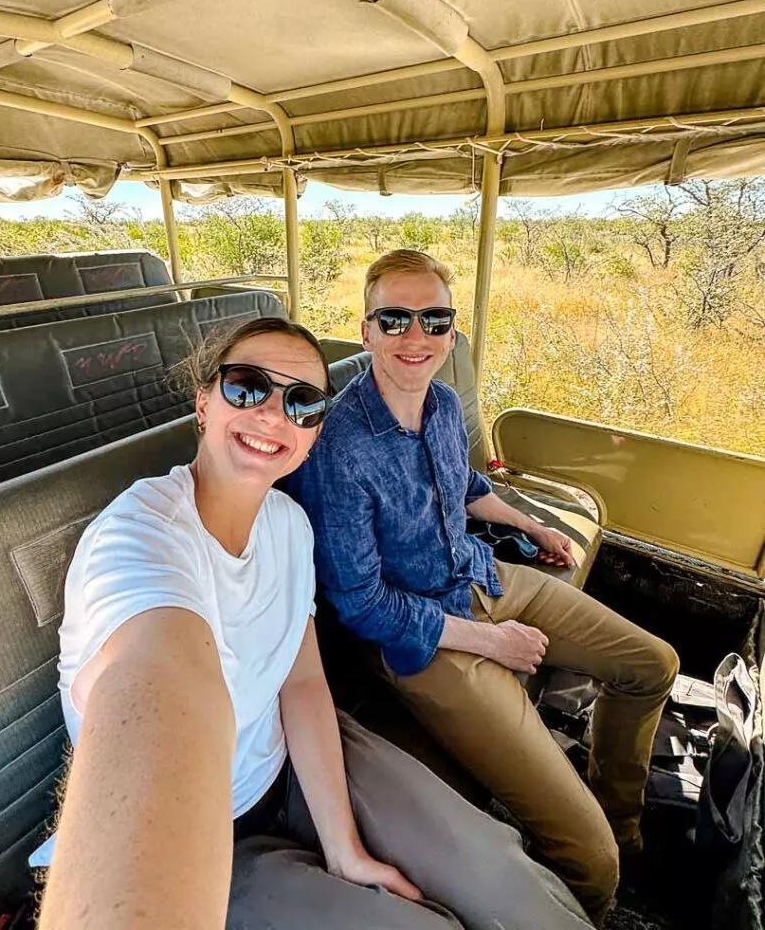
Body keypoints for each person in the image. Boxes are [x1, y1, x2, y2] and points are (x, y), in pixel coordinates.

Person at [35, 315, 592, 930]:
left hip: (297, 766)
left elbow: (300, 682)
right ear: (203, 402)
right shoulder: (140, 539)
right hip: (202, 835)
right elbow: (159, 684)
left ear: (314, 432)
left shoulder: (288, 524)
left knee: (509, 888)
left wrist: (344, 848)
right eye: (247, 386)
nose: (274, 414)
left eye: (302, 403)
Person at [289, 250, 681, 925]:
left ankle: (618, 818)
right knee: (591, 862)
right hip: (423, 639)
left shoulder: (441, 404)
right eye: (395, 319)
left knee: (652, 665)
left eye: (435, 320)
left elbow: (464, 486)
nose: (417, 336)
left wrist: (530, 523)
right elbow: (360, 604)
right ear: (366, 330)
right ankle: (590, 891)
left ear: (451, 330)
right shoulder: (338, 449)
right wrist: (490, 642)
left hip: (484, 576)